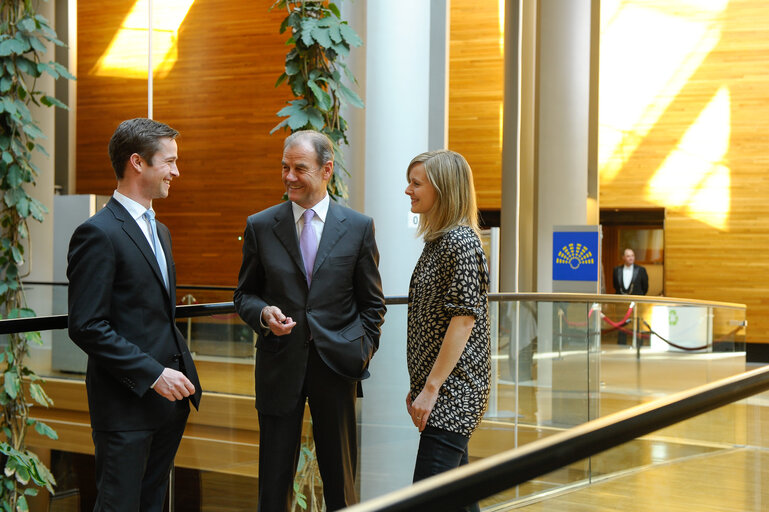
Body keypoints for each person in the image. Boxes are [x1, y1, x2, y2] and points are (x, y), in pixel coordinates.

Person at [233, 130, 386, 511]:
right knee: (273, 483)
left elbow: (373, 304)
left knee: (341, 483)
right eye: (284, 167)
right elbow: (244, 295)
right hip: (278, 365)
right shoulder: (260, 225)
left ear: (326, 170)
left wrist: (360, 351)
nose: (288, 177)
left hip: (336, 367)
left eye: (299, 168)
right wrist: (263, 314)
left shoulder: (358, 227)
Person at [67, 118, 201, 512]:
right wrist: (153, 374)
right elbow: (87, 325)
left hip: (168, 405)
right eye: (170, 162)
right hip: (125, 409)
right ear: (137, 162)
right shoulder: (97, 233)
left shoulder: (160, 231)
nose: (176, 172)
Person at [404, 149, 491, 512]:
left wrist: (430, 389)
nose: (408, 190)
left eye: (416, 183)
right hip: (441, 391)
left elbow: (464, 319)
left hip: (455, 392)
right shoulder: (438, 241)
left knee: (424, 499)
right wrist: (420, 387)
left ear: (443, 188)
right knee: (459, 498)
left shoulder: (462, 242)